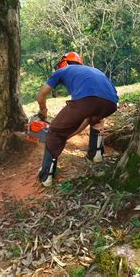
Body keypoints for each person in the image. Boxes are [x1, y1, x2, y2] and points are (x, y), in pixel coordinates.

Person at [37, 52, 118, 187]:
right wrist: (69, 135)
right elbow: (85, 118)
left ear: (63, 63)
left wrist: (43, 111)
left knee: (54, 132)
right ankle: (96, 153)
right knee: (95, 119)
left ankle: (46, 176)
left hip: (86, 100)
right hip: (111, 104)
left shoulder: (62, 71)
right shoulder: (94, 70)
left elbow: (41, 95)